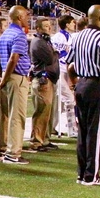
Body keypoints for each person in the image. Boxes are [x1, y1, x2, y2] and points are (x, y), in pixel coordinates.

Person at [65, 5, 100, 186]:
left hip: (81, 84)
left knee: (84, 131)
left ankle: (82, 173)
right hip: (97, 85)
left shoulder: (77, 37)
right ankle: (91, 175)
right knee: (97, 132)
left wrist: (74, 84)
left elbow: (69, 65)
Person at [0, 5, 32, 164]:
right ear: (19, 17)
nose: (27, 18)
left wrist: (0, 77)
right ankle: (13, 153)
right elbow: (14, 58)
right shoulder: (19, 35)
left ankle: (4, 148)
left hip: (7, 77)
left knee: (6, 115)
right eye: (26, 16)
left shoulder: (5, 34)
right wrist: (3, 78)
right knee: (17, 116)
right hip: (16, 78)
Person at [29, 17, 60, 152]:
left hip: (48, 80)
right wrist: (55, 52)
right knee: (41, 112)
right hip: (42, 80)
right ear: (38, 28)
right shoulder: (38, 42)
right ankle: (36, 141)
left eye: (49, 25)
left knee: (46, 113)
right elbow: (49, 59)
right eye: (46, 26)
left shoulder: (45, 41)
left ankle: (44, 139)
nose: (49, 28)